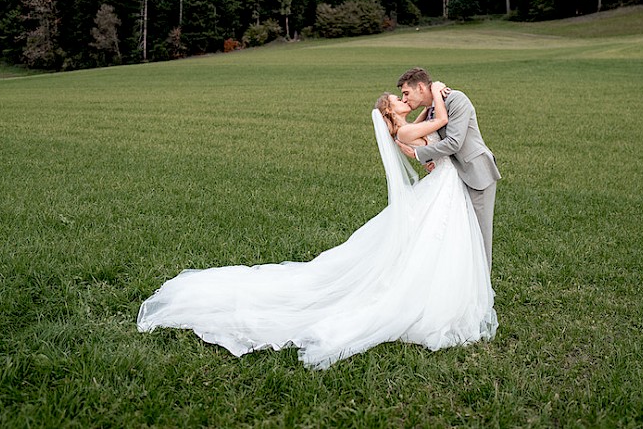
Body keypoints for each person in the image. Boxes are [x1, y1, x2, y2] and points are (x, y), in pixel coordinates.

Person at [137, 80, 497, 370]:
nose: (404, 99)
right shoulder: (405, 132)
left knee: (439, 242)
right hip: (445, 184)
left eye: (405, 94)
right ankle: (448, 294)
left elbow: (431, 132)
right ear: (390, 111)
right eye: (398, 98)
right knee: (437, 241)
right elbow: (440, 131)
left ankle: (457, 287)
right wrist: (435, 93)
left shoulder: (408, 126)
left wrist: (433, 103)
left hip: (448, 184)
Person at [396, 67, 500, 272]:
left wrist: (419, 155)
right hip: (454, 176)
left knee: (479, 236)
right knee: (460, 234)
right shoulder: (433, 109)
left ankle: (483, 293)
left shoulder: (456, 99)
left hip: (476, 172)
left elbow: (454, 143)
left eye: (406, 93)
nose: (405, 99)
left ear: (420, 87)